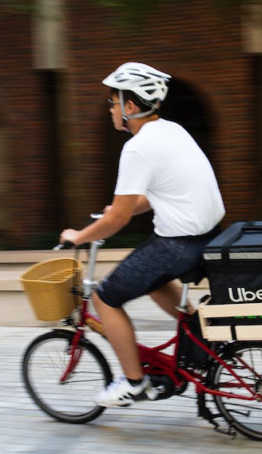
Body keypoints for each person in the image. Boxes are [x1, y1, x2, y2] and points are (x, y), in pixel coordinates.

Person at [59, 62, 225, 407]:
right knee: (151, 278)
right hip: (207, 237)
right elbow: (158, 194)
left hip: (177, 245)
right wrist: (116, 212)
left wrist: (79, 236)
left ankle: (133, 382)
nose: (110, 107)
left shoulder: (136, 148)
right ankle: (198, 332)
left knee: (106, 298)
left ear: (130, 106)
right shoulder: (173, 131)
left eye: (113, 100)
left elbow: (117, 220)